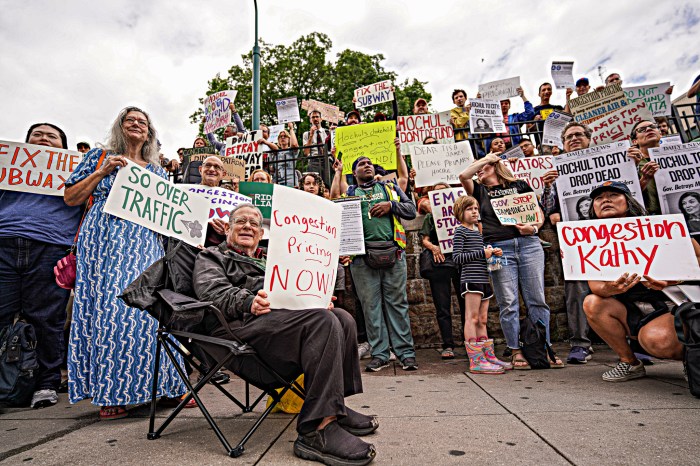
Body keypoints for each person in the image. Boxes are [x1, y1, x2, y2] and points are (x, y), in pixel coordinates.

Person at [193, 203, 378, 466]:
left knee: (342, 318)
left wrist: (314, 298)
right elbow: (212, 293)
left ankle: (334, 406)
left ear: (260, 233)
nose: (248, 226)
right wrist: (248, 302)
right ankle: (317, 429)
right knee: (323, 322)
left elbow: (293, 290)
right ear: (227, 229)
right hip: (237, 326)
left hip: (278, 321)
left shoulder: (270, 258)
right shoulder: (211, 257)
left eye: (254, 224)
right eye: (240, 222)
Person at [63, 107, 187, 419]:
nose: (136, 124)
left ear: (149, 133)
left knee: (150, 308)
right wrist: (103, 172)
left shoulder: (157, 174)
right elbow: (71, 198)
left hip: (144, 241)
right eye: (129, 119)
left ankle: (166, 387)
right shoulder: (98, 156)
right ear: (120, 126)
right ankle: (112, 392)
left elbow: (171, 217)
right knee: (112, 309)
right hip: (105, 240)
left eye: (142, 122)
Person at [0, 123, 82, 409]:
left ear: (63, 147)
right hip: (4, 243)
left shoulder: (75, 173)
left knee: (47, 318)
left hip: (50, 247)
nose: (44, 138)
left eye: (52, 136)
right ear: (25, 144)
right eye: (38, 134)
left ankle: (46, 382)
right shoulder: (8, 168)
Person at [583, 181, 699, 382]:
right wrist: (611, 287)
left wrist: (672, 280)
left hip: (669, 302)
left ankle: (694, 360)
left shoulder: (660, 226)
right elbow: (596, 287)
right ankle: (630, 362)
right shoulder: (591, 238)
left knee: (659, 340)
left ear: (628, 202)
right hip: (631, 305)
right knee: (592, 302)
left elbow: (697, 258)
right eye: (599, 198)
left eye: (613, 195)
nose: (605, 200)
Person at [458, 153, 562, 369]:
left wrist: (532, 228)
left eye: (485, 167)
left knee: (537, 299)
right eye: (480, 167)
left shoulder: (520, 185)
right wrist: (486, 159)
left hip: (529, 244)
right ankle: (516, 350)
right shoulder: (479, 191)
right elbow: (463, 175)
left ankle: (544, 348)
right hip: (499, 249)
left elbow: (538, 214)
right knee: (508, 302)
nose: (479, 170)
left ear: (496, 167)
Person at [332, 156, 418, 372]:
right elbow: (333, 207)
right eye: (361, 164)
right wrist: (338, 172)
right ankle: (379, 354)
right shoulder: (350, 194)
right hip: (362, 259)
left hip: (392, 254)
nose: (367, 165)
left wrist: (391, 205)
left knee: (398, 304)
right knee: (370, 307)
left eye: (369, 163)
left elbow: (411, 210)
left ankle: (405, 354)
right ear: (354, 173)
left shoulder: (389, 188)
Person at [451, 195, 512, 374]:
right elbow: (457, 258)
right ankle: (476, 360)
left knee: (483, 319)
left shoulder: (478, 230)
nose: (474, 212)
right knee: (472, 318)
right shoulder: (460, 231)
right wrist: (481, 253)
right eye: (470, 209)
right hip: (471, 279)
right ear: (460, 212)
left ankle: (488, 356)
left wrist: (493, 253)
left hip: (484, 278)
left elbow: (482, 254)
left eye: (476, 208)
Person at [419, 182, 465, 360]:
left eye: (444, 192)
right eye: (436, 193)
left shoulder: (462, 215)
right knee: (442, 306)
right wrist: (434, 248)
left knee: (466, 304)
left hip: (461, 262)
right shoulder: (431, 217)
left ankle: (471, 342)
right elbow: (425, 239)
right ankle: (448, 345)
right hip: (440, 262)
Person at [483, 87, 534, 152]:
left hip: (514, 147)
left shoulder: (515, 118)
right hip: (498, 149)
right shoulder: (491, 120)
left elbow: (530, 113)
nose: (504, 105)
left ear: (509, 106)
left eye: (506, 103)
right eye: (501, 104)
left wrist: (523, 96)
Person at [629, 120, 661, 214]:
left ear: (660, 134)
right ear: (635, 141)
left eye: (653, 126)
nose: (649, 129)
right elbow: (629, 196)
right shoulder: (632, 163)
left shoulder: (676, 156)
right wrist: (644, 180)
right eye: (642, 129)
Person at [302, 110, 330, 184]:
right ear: (310, 120)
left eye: (317, 117)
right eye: (313, 117)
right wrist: (311, 135)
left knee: (328, 183)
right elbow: (306, 152)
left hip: (327, 160)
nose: (315, 119)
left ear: (321, 119)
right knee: (316, 183)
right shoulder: (306, 134)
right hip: (314, 161)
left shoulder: (327, 132)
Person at [267, 123, 298, 187]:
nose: (282, 138)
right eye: (280, 136)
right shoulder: (275, 153)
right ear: (278, 140)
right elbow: (272, 169)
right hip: (277, 180)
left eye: (285, 136)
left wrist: (291, 129)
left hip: (290, 180)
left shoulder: (291, 151)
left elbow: (294, 144)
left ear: (289, 139)